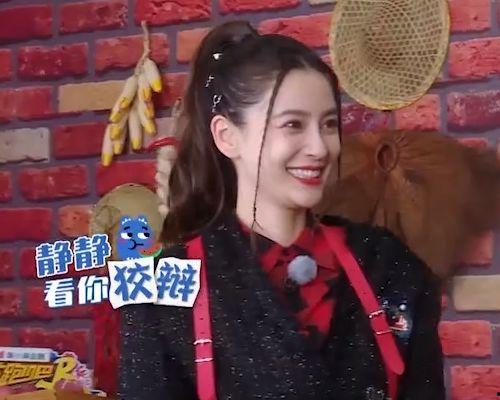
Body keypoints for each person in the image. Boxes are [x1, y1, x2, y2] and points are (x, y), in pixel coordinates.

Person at [118, 20, 445, 400]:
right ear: (227, 136)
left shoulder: (388, 265)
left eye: (328, 125)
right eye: (293, 125)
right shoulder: (161, 291)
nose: (319, 148)